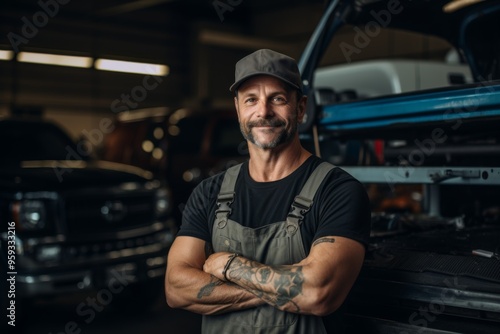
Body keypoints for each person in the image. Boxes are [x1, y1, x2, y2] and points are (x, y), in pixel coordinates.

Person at [165, 49, 371, 333]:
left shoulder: (338, 191)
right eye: (251, 99)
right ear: (238, 109)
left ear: (300, 107)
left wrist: (228, 266)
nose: (263, 112)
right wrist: (287, 290)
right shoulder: (209, 193)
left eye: (278, 98)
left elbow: (318, 293)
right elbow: (176, 288)